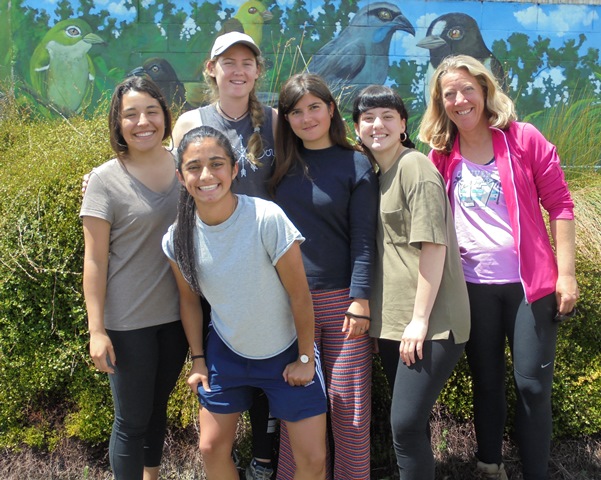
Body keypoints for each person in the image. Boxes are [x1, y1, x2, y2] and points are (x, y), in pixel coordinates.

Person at [419, 54, 578, 480]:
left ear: (486, 91)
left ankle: (536, 472)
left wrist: (566, 275)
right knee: (486, 381)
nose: (460, 100)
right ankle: (490, 465)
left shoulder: (524, 139)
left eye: (467, 90)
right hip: (471, 287)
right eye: (449, 94)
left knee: (532, 386)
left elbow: (561, 205)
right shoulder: (440, 155)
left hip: (529, 287)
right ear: (440, 103)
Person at [162, 125, 328, 480]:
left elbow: (300, 294)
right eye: (193, 167)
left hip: (287, 350)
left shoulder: (266, 217)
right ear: (180, 177)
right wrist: (199, 360)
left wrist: (304, 357)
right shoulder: (177, 237)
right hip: (227, 354)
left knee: (313, 460)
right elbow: (189, 302)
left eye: (216, 164)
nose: (206, 176)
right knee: (211, 448)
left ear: (234, 169)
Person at [352, 85, 470, 479]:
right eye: (368, 118)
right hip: (395, 323)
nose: (378, 125)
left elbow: (433, 246)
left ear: (403, 124)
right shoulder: (378, 175)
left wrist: (419, 321)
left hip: (431, 323)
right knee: (408, 424)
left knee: (404, 425)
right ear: (357, 129)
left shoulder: (415, 167)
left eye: (387, 116)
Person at [270, 73, 378, 480]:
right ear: (286, 119)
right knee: (298, 411)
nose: (307, 118)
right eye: (296, 111)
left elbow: (364, 240)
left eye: (314, 107)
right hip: (290, 303)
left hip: (344, 303)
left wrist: (361, 299)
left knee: (349, 409)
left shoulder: (356, 163)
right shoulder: (279, 167)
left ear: (331, 110)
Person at [80, 76, 189, 480]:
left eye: (151, 111)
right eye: (131, 114)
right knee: (131, 420)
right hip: (128, 323)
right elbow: (94, 261)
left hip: (179, 316)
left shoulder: (186, 165)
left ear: (165, 116)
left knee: (157, 410)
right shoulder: (104, 180)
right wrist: (96, 330)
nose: (143, 122)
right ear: (118, 122)